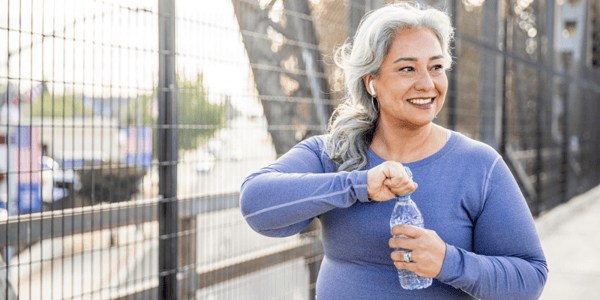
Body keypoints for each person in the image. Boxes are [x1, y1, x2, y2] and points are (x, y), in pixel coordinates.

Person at [240, 2, 548, 299]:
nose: (427, 84)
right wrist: (357, 186)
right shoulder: (334, 153)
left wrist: (449, 262)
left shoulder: (479, 165)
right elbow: (255, 204)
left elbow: (530, 278)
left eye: (436, 67)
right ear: (371, 81)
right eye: (407, 69)